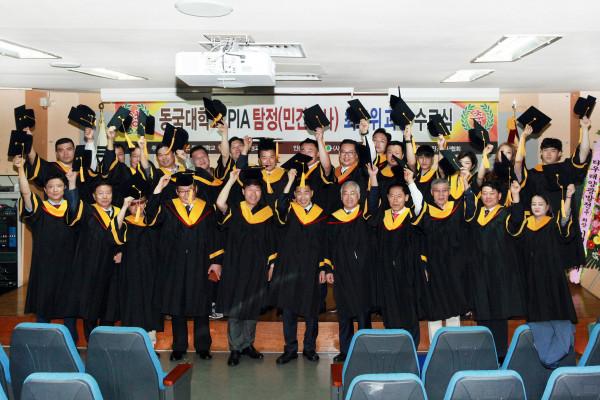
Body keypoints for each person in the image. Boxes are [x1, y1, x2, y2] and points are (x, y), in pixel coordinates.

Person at [145, 172, 223, 361]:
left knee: (201, 305)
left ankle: (203, 347)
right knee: (176, 305)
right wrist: (158, 189)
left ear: (196, 189)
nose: (186, 194)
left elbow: (215, 235)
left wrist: (216, 261)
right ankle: (179, 347)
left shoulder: (207, 209)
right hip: (175, 264)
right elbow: (150, 219)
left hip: (200, 263)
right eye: (181, 191)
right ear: (176, 192)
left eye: (189, 190)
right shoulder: (168, 207)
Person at [14, 155, 81, 342]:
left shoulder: (73, 209)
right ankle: (41, 347)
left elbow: (75, 205)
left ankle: (71, 348)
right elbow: (26, 194)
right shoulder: (39, 209)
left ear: (64, 188)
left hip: (69, 267)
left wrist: (73, 182)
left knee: (69, 313)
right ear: (45, 189)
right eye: (50, 187)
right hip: (45, 267)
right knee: (43, 310)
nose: (55, 189)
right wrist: (20, 169)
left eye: (59, 186)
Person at [216, 168, 277, 366]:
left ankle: (248, 344)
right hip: (235, 265)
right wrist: (230, 181)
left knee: (252, 306)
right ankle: (235, 347)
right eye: (249, 190)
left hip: (257, 266)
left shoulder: (267, 214)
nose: (253, 194)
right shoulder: (235, 209)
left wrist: (271, 265)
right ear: (243, 192)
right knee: (236, 306)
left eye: (257, 190)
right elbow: (220, 203)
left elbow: (271, 242)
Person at [464, 180, 526, 361]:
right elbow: (468, 214)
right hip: (480, 271)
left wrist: (516, 196)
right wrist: (467, 190)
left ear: (499, 195)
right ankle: (484, 354)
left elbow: (517, 221)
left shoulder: (505, 213)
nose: (488, 197)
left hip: (499, 271)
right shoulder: (476, 215)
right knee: (482, 311)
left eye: (492, 193)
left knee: (499, 313)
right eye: (484, 193)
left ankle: (500, 355)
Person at [271, 169, 328, 364]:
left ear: (312, 193)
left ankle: (309, 348)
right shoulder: (288, 210)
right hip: (289, 268)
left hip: (312, 268)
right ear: (294, 195)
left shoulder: (321, 214)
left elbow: (325, 244)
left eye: (306, 192)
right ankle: (290, 349)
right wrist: (289, 182)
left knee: (312, 310)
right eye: (298, 193)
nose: (302, 197)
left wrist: (323, 267)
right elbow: (280, 205)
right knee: (289, 310)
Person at [366, 164, 426, 345]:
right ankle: (394, 346)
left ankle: (411, 347)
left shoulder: (412, 215)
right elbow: (371, 207)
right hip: (387, 272)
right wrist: (373, 178)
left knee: (409, 309)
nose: (395, 199)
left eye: (399, 196)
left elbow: (420, 203)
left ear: (406, 197)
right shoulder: (383, 216)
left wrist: (411, 182)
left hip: (408, 271)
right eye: (391, 196)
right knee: (390, 310)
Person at [66, 177, 128, 339]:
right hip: (90, 264)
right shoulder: (87, 210)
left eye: (108, 193)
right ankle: (92, 340)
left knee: (110, 304)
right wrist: (72, 184)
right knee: (90, 304)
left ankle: (106, 340)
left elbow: (128, 237)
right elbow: (72, 208)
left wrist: (123, 251)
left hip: (113, 266)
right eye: (100, 193)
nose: (105, 196)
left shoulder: (121, 212)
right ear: (94, 196)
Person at [414, 174, 474, 342]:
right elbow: (420, 240)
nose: (441, 194)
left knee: (454, 305)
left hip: (455, 266)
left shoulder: (458, 208)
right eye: (437, 191)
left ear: (449, 192)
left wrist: (467, 188)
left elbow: (471, 212)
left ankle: (454, 344)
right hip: (434, 266)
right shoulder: (425, 212)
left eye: (444, 191)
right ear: (431, 193)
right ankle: (436, 346)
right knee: (435, 306)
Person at [321, 179, 375, 362]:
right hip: (341, 272)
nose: (349, 197)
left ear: (359, 196)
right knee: (344, 313)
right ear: (341, 196)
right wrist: (329, 269)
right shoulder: (333, 219)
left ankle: (366, 350)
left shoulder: (366, 216)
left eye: (353, 193)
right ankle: (346, 350)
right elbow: (327, 246)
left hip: (362, 273)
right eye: (346, 193)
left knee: (363, 313)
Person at [116, 175, 162, 347]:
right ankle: (132, 341)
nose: (137, 207)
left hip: (152, 269)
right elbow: (114, 232)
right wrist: (124, 206)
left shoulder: (154, 221)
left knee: (150, 302)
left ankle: (150, 342)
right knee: (132, 302)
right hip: (131, 270)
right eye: (133, 204)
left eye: (141, 202)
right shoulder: (125, 222)